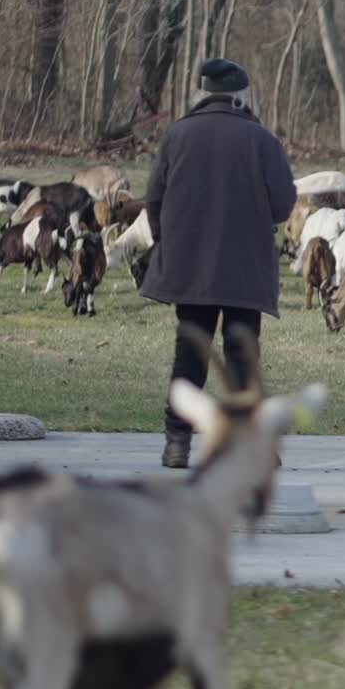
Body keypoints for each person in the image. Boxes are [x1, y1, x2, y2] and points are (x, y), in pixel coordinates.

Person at [142, 57, 297, 467]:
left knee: (189, 353)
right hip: (245, 269)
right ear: (242, 95)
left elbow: (153, 200)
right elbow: (283, 206)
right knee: (242, 355)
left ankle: (177, 442)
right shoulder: (262, 140)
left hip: (190, 268)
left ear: (201, 92)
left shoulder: (178, 135)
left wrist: (169, 244)